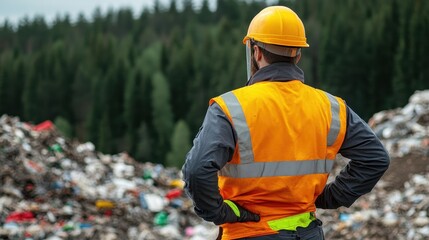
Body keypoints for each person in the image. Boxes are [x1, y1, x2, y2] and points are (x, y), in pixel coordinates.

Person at [182, 6, 390, 240]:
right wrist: (329, 197)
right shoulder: (331, 107)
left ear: (256, 52)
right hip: (308, 233)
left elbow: (197, 170)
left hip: (249, 232)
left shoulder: (230, 107)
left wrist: (218, 212)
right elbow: (375, 158)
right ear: (298, 54)